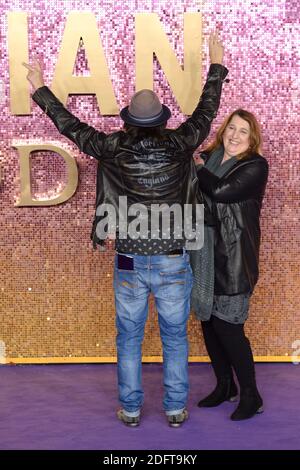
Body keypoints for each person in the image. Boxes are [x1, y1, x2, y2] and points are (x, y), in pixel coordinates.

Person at [23, 32, 228, 427]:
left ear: (130, 120)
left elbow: (70, 126)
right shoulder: (182, 142)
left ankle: (131, 410)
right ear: (162, 119)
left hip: (131, 260)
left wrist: (40, 89)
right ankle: (174, 409)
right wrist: (215, 65)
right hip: (172, 260)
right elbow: (207, 110)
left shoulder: (112, 146)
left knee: (129, 341)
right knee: (175, 340)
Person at [190, 109, 269, 420]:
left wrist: (197, 168)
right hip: (204, 254)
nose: (235, 136)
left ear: (252, 139)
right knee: (208, 323)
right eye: (231, 129)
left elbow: (220, 193)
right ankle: (225, 386)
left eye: (243, 132)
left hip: (233, 259)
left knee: (229, 328)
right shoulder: (209, 158)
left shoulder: (255, 166)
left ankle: (252, 395)